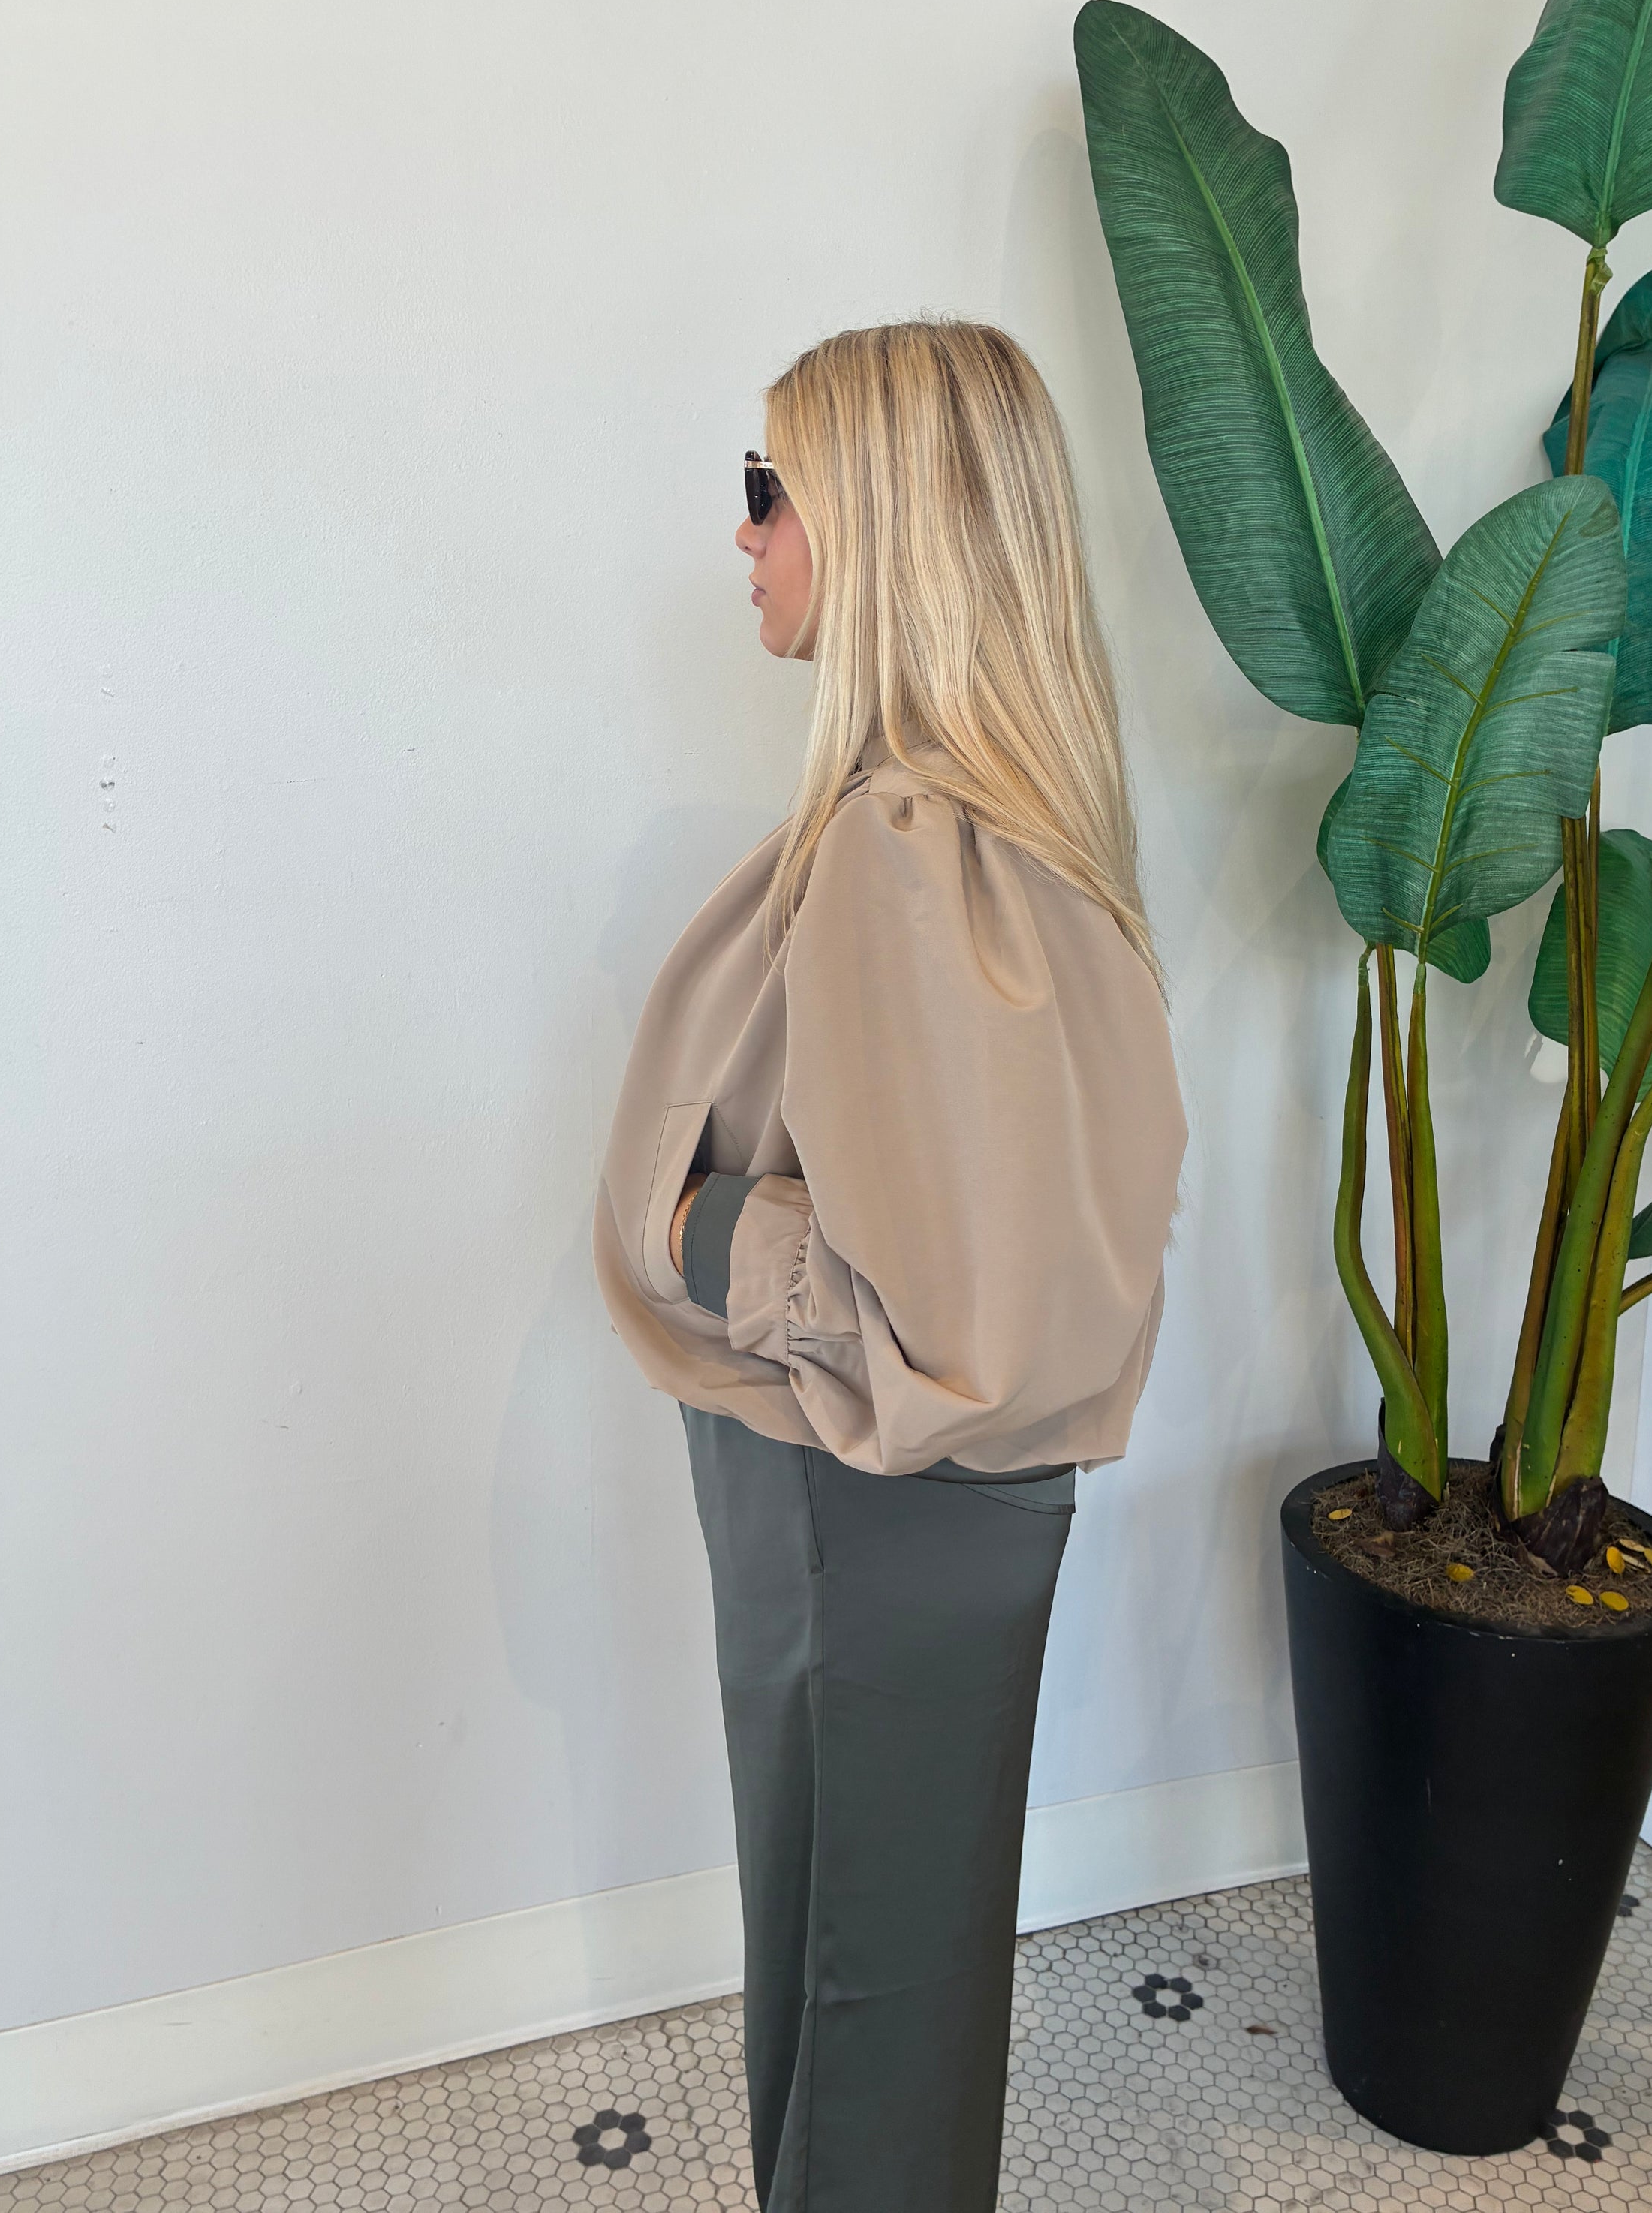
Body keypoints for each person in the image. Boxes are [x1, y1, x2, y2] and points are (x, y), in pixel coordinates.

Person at [591, 318, 1187, 2213]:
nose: (745, 534)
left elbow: (959, 1318)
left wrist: (692, 1228)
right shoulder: (1010, 826)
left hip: (857, 1494)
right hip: (916, 1510)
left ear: (885, 521)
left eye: (769, 489)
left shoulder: (904, 846)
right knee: (877, 1965)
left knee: (861, 1985)